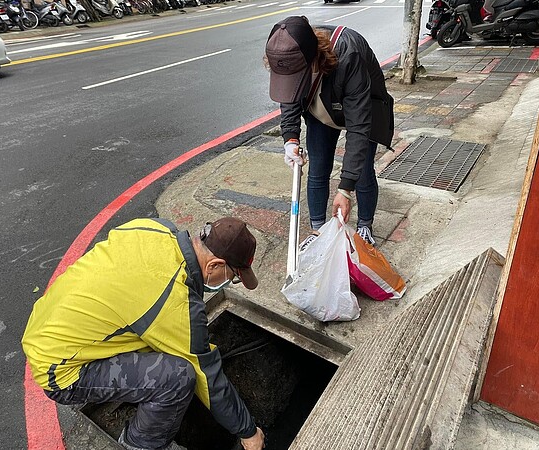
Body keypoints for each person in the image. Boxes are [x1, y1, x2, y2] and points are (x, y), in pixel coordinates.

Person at [21, 217, 266, 450]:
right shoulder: (173, 301)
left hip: (44, 324)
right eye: (233, 278)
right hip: (62, 371)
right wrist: (248, 432)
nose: (229, 282)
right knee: (178, 377)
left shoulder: (154, 229)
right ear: (215, 266)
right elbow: (208, 377)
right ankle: (140, 442)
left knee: (160, 343)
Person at [265, 16, 394, 247]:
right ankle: (318, 232)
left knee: (361, 173)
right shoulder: (289, 56)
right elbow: (289, 98)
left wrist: (345, 189)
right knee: (318, 169)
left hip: (362, 109)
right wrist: (290, 138)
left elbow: (358, 127)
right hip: (321, 111)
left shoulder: (349, 55)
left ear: (313, 58)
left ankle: (365, 225)